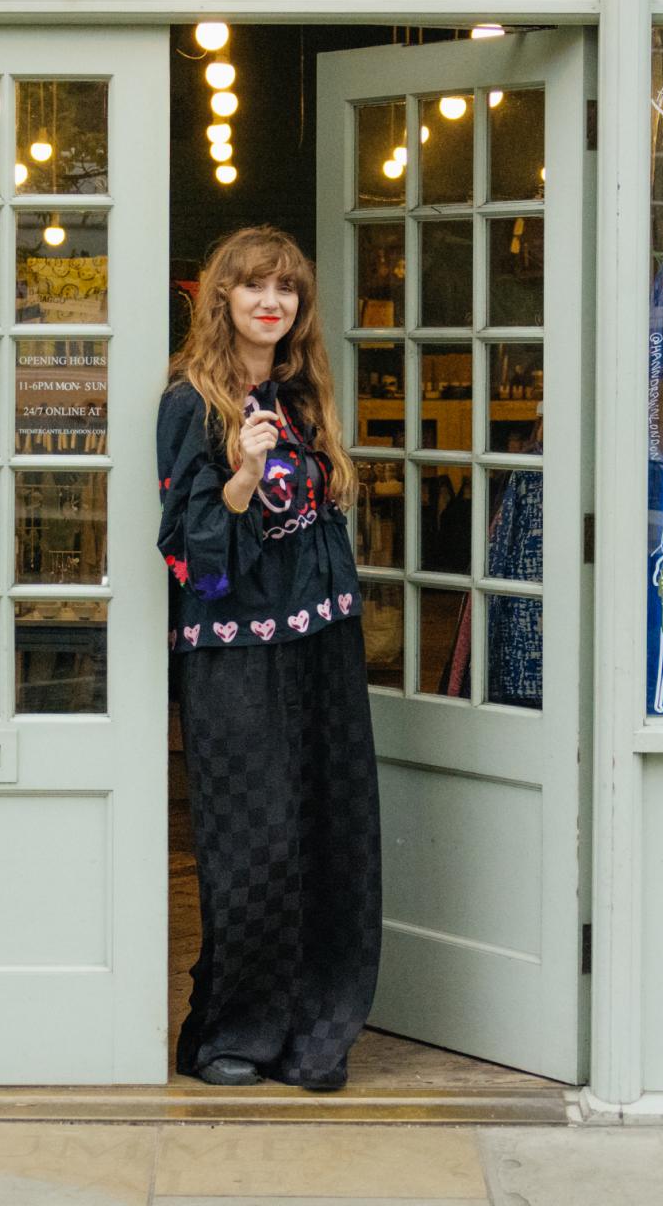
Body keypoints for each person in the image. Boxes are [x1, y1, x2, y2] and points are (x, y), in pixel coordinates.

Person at [155, 225, 381, 1092]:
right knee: (254, 843)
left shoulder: (302, 392)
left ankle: (315, 1030)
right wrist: (241, 478)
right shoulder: (191, 403)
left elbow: (321, 527)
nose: (271, 302)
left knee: (330, 832)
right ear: (222, 299)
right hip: (234, 655)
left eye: (285, 288)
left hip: (321, 641)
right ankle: (232, 1033)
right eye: (253, 287)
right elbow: (190, 557)